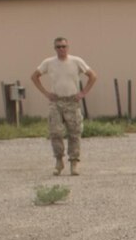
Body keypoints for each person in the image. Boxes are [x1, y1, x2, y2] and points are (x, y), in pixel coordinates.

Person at [29, 37, 95, 176]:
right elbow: (35, 76)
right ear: (55, 48)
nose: (61, 49)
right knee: (55, 132)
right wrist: (46, 93)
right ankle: (59, 161)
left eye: (63, 46)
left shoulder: (76, 61)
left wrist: (83, 93)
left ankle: (74, 163)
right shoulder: (49, 63)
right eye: (58, 47)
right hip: (56, 102)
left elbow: (92, 76)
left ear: (68, 47)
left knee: (74, 133)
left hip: (72, 101)